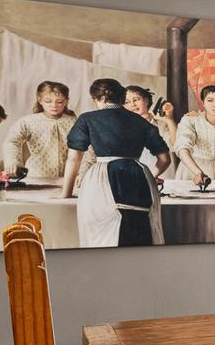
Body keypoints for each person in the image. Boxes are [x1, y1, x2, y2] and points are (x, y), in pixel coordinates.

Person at [61, 77, 170, 247]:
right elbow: (164, 159)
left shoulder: (88, 119)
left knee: (102, 234)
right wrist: (150, 176)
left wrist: (66, 194)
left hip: (102, 178)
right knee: (139, 232)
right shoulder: (141, 121)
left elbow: (74, 158)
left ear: (100, 98)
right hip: (139, 179)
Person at [3, 80, 78, 180]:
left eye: (59, 102)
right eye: (48, 101)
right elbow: (11, 142)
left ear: (66, 101)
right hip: (36, 176)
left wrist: (83, 171)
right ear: (40, 100)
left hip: (69, 177)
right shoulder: (28, 121)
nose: (54, 105)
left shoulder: (75, 122)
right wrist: (13, 162)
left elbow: (88, 149)